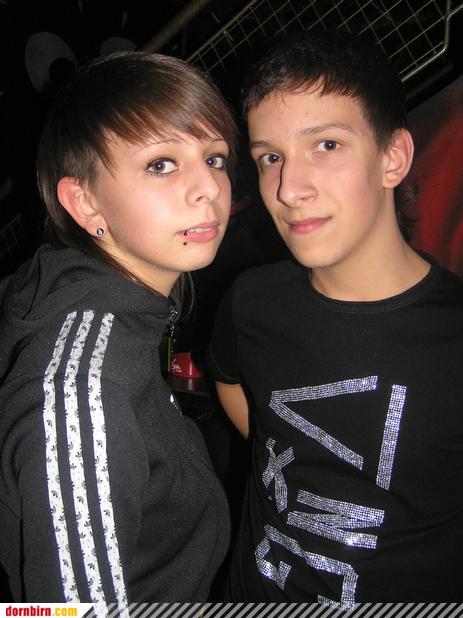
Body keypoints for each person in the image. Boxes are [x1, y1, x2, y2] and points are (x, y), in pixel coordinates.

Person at [207, 29, 463, 604]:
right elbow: (228, 380)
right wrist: (288, 458)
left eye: (326, 144)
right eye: (271, 157)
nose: (289, 189)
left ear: (392, 158)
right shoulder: (252, 301)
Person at [0, 50, 236, 608]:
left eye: (215, 158)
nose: (208, 187)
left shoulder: (133, 305)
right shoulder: (86, 387)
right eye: (161, 164)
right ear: (85, 204)